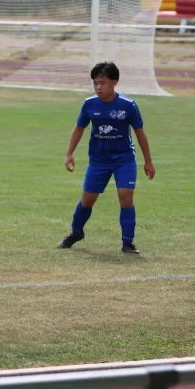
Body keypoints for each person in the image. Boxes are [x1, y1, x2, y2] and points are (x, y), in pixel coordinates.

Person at [57, 62, 155, 254]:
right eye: (95, 83)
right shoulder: (89, 104)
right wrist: (69, 153)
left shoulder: (128, 106)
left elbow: (140, 133)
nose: (98, 87)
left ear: (114, 82)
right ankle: (76, 233)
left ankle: (128, 243)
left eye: (102, 82)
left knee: (125, 197)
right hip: (98, 161)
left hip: (124, 159)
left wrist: (148, 161)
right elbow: (79, 129)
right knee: (87, 200)